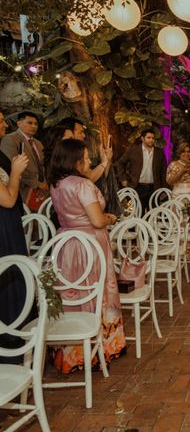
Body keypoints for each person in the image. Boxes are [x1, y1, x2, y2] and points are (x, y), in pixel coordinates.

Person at [48, 139, 126, 373]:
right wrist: (111, 218)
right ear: (74, 160)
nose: (87, 161)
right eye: (84, 157)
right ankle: (100, 348)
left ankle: (71, 352)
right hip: (90, 245)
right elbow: (97, 220)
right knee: (97, 290)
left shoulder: (57, 183)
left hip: (67, 244)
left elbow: (86, 181)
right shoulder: (82, 186)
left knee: (73, 292)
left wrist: (105, 163)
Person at [0, 146, 31, 364]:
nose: (3, 124)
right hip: (3, 230)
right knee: (9, 279)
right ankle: (11, 343)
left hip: (8, 225)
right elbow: (9, 199)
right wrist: (16, 172)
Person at [0, 110, 48, 209]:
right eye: (30, 123)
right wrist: (37, 184)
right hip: (20, 190)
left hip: (41, 190)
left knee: (39, 220)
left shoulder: (38, 143)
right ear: (19, 123)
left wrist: (44, 183)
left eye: (36, 124)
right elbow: (11, 167)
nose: (34, 126)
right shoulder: (10, 139)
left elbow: (43, 165)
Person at [116, 129, 167, 211]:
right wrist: (123, 179)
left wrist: (163, 188)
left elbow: (163, 171)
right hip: (137, 187)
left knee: (153, 213)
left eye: (153, 138)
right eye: (149, 138)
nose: (151, 140)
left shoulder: (159, 152)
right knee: (138, 213)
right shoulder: (133, 150)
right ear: (142, 138)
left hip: (153, 188)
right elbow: (120, 163)